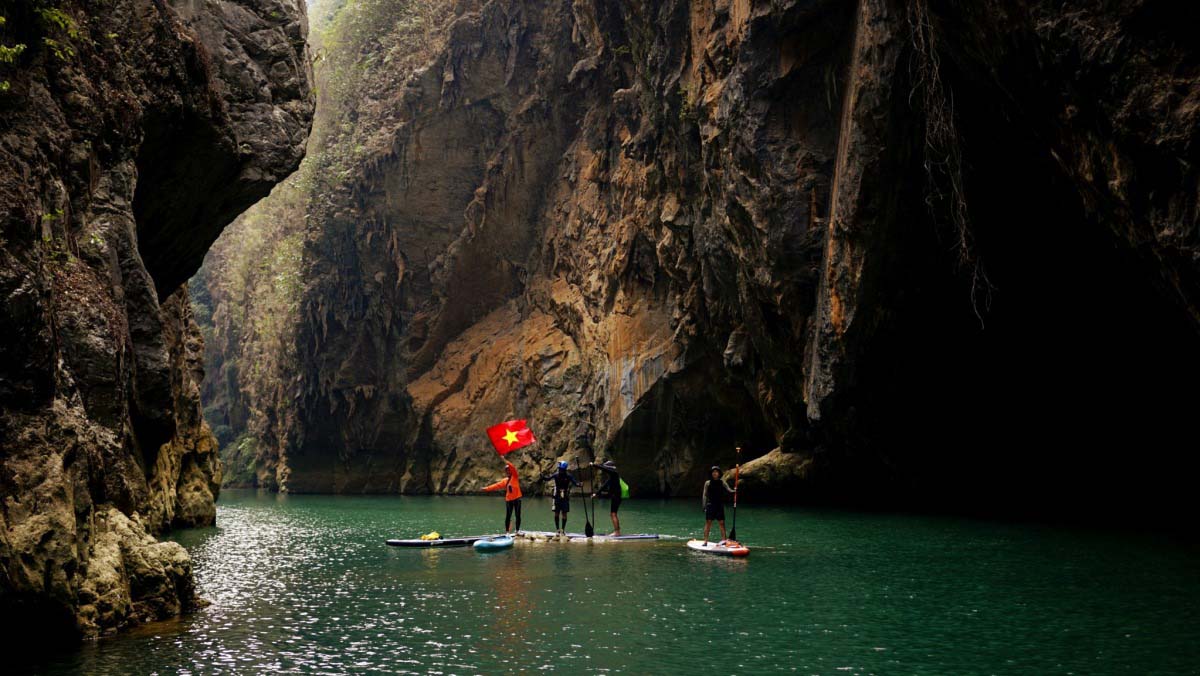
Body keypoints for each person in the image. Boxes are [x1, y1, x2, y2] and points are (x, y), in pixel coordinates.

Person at [482, 459, 523, 534]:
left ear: (511, 471)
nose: (508, 472)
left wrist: (504, 459)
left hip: (517, 499)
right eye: (506, 470)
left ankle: (517, 530)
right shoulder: (505, 481)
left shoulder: (515, 476)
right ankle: (507, 532)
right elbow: (496, 486)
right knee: (508, 516)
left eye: (509, 470)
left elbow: (513, 467)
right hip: (509, 500)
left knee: (518, 515)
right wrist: (487, 489)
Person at [541, 460, 581, 535]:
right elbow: (547, 479)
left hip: (565, 496)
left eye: (560, 469)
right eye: (559, 469)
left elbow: (575, 483)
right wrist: (542, 477)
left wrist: (579, 484)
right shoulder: (556, 475)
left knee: (564, 513)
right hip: (557, 496)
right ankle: (557, 530)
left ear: (563, 469)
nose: (559, 470)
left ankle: (562, 529)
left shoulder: (568, 476)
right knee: (556, 513)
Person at [702, 465, 736, 543]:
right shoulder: (707, 483)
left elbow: (729, 490)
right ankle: (705, 541)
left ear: (719, 473)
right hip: (710, 505)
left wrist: (734, 490)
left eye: (716, 472)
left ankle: (723, 540)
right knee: (708, 522)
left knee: (721, 523)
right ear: (711, 473)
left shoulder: (722, 482)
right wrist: (704, 506)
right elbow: (704, 495)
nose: (715, 473)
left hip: (719, 505)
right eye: (713, 472)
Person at [589, 459, 623, 536]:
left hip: (616, 496)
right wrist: (596, 494)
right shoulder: (612, 476)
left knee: (613, 514)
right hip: (615, 496)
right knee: (613, 514)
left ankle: (617, 532)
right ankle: (617, 531)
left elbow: (604, 468)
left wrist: (593, 465)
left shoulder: (614, 473)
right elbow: (604, 486)